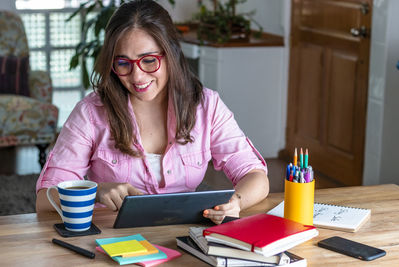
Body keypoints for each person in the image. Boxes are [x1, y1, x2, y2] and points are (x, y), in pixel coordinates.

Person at [36, 0, 269, 224]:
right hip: (111, 242)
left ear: (171, 54)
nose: (137, 76)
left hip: (183, 237)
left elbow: (255, 176)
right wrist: (95, 192)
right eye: (123, 63)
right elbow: (45, 199)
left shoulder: (207, 106)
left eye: (148, 60)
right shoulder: (90, 114)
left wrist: (235, 203)